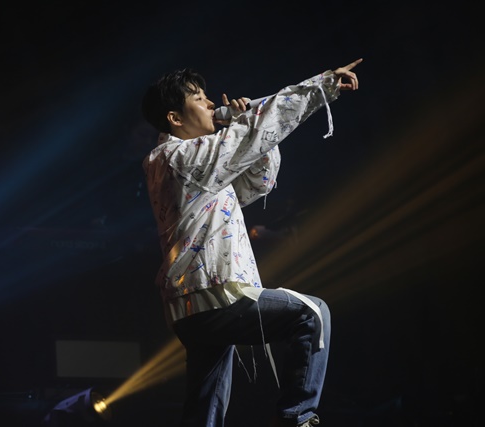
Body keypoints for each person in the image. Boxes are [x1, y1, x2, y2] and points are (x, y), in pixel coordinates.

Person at [141, 58, 363, 427]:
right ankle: (297, 418)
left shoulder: (198, 165)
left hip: (193, 305)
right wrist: (321, 86)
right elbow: (253, 134)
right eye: (199, 98)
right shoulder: (177, 157)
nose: (211, 103)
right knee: (312, 314)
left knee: (206, 404)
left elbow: (257, 181)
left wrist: (243, 124)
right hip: (214, 295)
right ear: (175, 118)